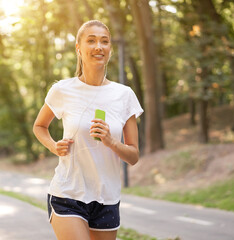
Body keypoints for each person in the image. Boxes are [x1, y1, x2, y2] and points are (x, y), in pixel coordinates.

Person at [33, 20, 143, 240]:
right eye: (91, 40)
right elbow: (39, 126)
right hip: (68, 194)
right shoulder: (63, 90)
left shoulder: (124, 95)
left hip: (107, 199)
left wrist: (112, 142)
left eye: (104, 41)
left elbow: (133, 156)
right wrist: (54, 146)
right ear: (78, 48)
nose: (98, 46)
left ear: (110, 49)